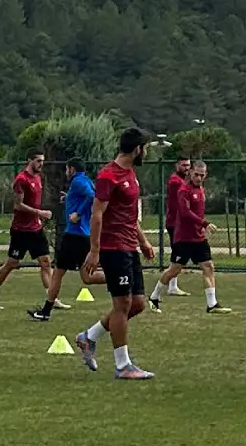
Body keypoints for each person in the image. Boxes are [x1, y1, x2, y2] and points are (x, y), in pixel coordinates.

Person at [76, 128, 159, 380]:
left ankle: (89, 337)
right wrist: (94, 250)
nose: (147, 152)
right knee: (122, 305)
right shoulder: (108, 175)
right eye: (145, 148)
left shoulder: (131, 174)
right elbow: (97, 214)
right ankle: (123, 365)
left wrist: (143, 242)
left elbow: (129, 216)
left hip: (129, 247)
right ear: (137, 149)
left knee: (137, 304)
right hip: (113, 249)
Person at [155, 160, 226, 313]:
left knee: (208, 267)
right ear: (190, 173)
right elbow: (185, 213)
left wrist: (201, 228)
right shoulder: (183, 190)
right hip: (184, 238)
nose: (199, 178)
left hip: (198, 237)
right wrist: (205, 224)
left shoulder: (201, 189)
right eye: (196, 174)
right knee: (174, 270)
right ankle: (154, 297)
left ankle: (211, 304)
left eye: (202, 175)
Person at [32, 157, 95, 321]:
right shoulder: (84, 180)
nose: (66, 172)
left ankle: (46, 311)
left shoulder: (78, 182)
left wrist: (78, 213)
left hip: (74, 235)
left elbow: (91, 196)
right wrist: (68, 199)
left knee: (58, 273)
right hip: (81, 235)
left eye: (67, 169)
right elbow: (86, 196)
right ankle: (120, 279)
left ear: (72, 169)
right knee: (86, 278)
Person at [0, 151, 50, 311]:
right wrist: (39, 213)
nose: (41, 164)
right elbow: (18, 205)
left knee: (46, 262)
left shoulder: (38, 178)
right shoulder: (21, 180)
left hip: (36, 228)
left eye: (42, 161)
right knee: (12, 263)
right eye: (38, 160)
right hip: (21, 230)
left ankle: (51, 297)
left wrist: (38, 217)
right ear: (29, 160)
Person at [163, 154, 192, 297]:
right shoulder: (176, 181)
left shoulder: (181, 180)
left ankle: (172, 285)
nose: (187, 168)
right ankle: (169, 286)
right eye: (184, 165)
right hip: (175, 223)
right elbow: (178, 205)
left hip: (178, 223)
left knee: (178, 254)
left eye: (188, 165)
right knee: (179, 254)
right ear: (177, 166)